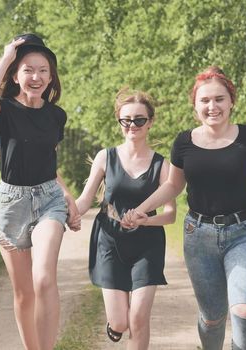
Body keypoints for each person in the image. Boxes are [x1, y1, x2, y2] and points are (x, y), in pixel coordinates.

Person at [121, 66, 246, 350]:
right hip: (198, 235)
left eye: (219, 99)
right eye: (205, 101)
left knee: (245, 310)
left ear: (231, 102)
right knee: (213, 318)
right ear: (195, 105)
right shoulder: (184, 142)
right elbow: (173, 186)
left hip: (244, 233)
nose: (212, 106)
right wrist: (143, 209)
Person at [0, 33, 81, 350]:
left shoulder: (56, 115)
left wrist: (67, 196)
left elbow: (48, 160)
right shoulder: (4, 110)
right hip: (11, 204)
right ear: (16, 75)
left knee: (44, 277)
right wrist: (7, 55)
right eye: (28, 69)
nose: (36, 77)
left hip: (49, 198)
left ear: (51, 77)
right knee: (23, 292)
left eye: (43, 71)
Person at [75, 88, 176, 349]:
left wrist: (145, 220)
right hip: (109, 240)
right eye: (126, 120)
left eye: (139, 120)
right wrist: (65, 211)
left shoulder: (162, 166)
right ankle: (115, 325)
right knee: (121, 322)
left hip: (148, 243)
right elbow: (85, 200)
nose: (133, 125)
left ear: (150, 122)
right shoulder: (105, 157)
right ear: (120, 121)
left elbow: (170, 214)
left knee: (139, 317)